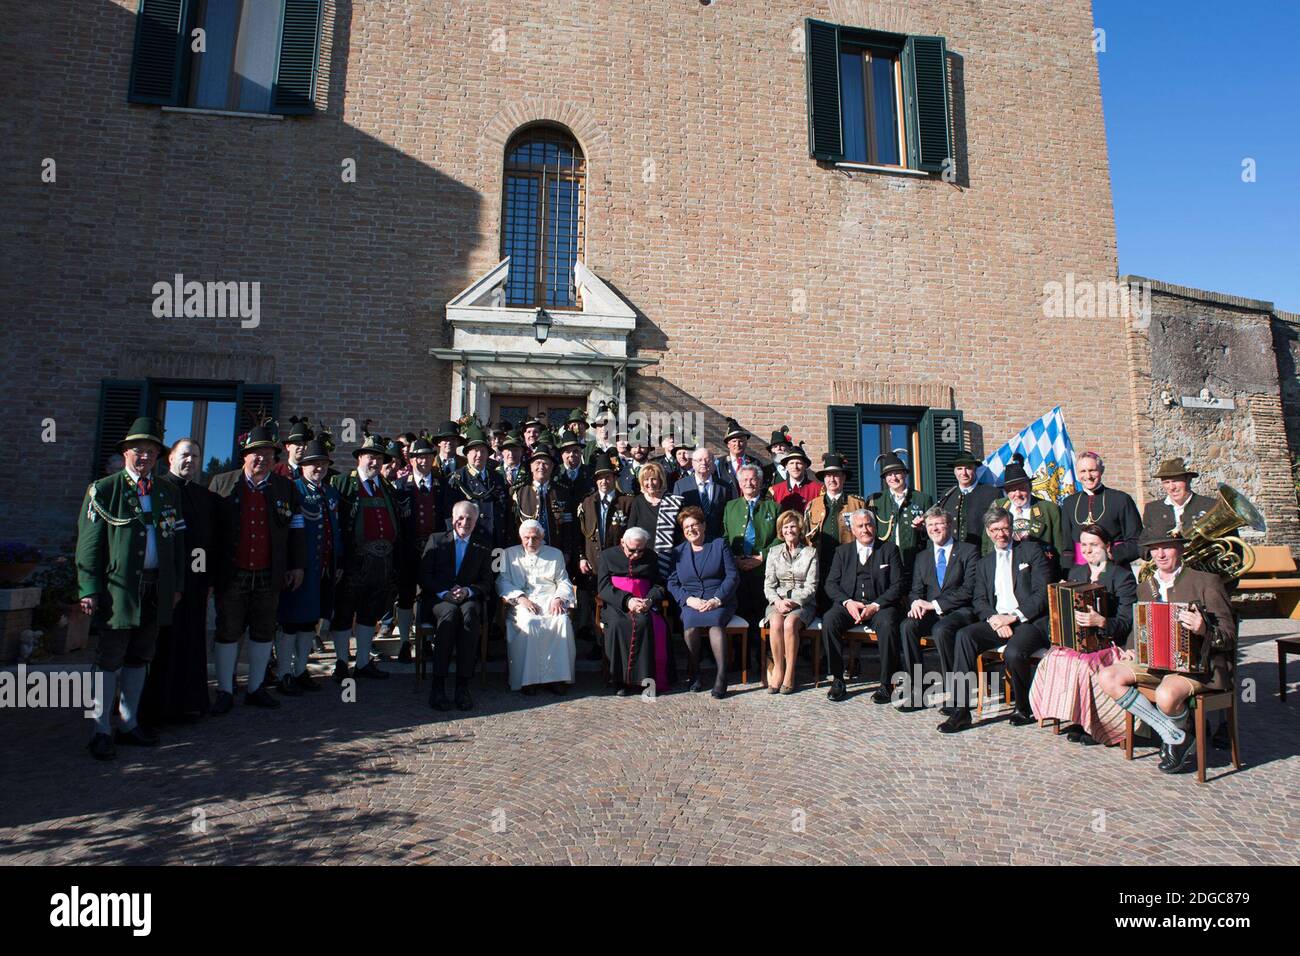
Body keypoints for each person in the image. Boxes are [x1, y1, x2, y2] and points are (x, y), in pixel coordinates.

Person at [77, 417, 186, 759]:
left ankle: (128, 722)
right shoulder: (105, 489)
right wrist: (88, 588)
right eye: (138, 450)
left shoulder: (168, 491)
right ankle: (100, 729)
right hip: (118, 590)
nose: (145, 457)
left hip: (157, 587)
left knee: (141, 655)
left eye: (151, 451)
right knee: (110, 657)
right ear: (125, 452)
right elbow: (89, 545)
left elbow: (179, 543)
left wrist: (177, 584)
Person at [1096, 529, 1237, 774]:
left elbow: (1229, 636)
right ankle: (1174, 734)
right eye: (1155, 549)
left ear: (1180, 550)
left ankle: (1175, 738)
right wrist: (1131, 649)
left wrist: (1204, 629)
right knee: (1107, 676)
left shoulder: (1206, 581)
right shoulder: (1145, 587)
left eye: (1167, 547)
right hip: (1154, 663)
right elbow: (1140, 626)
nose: (1160, 554)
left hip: (1198, 666)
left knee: (1166, 695)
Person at [208, 423, 306, 712]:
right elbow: (208, 533)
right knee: (228, 630)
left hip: (269, 572)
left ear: (275, 459)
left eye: (267, 454)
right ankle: (225, 689)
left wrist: (296, 565)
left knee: (264, 630)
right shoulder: (222, 484)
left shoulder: (285, 488)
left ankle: (255, 687)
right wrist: (207, 573)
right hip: (232, 573)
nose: (261, 459)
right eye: (255, 453)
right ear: (244, 456)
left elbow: (296, 528)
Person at [938, 506, 1051, 734]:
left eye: (1005, 528)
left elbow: (1043, 593)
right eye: (995, 529)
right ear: (988, 532)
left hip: (1028, 621)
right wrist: (994, 619)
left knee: (1013, 653)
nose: (1001, 533)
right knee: (964, 636)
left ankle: (1023, 707)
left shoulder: (1031, 552)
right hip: (998, 620)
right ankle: (961, 711)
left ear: (1012, 528)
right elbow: (979, 599)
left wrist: (1013, 617)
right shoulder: (984, 563)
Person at [1029, 524, 1137, 746]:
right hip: (1079, 644)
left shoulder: (1121, 576)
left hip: (1109, 643)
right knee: (1055, 659)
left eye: (1094, 545)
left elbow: (1127, 621)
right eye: (1084, 545)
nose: (1088, 550)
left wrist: (1102, 622)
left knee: (1084, 665)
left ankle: (1097, 724)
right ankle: (1075, 717)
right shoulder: (1076, 573)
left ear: (1107, 547)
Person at [140, 437, 215, 728]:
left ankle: (189, 703)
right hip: (163, 582)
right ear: (170, 458)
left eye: (196, 457)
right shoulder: (158, 490)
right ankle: (157, 707)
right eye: (185, 455)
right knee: (160, 644)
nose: (190, 461)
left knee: (190, 641)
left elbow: (205, 542)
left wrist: (206, 577)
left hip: (195, 582)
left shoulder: (202, 495)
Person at [329, 433, 402, 682]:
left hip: (383, 562)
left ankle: (362, 662)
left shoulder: (387, 487)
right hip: (353, 562)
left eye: (379, 459)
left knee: (370, 612)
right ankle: (340, 662)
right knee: (344, 611)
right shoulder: (342, 484)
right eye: (371, 457)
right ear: (360, 458)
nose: (375, 463)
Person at [275, 438, 343, 696]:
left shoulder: (330, 493)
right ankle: (284, 674)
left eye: (323, 464)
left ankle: (301, 670)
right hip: (299, 569)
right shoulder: (293, 490)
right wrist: (293, 565)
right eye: (313, 464)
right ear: (302, 466)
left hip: (323, 568)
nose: (319, 468)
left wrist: (338, 561)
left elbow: (335, 530)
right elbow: (289, 533)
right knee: (290, 621)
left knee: (309, 622)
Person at [898, 506, 979, 708]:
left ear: (950, 526)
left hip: (961, 611)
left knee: (942, 630)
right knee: (907, 626)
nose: (934, 529)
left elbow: (969, 589)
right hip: (931, 611)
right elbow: (916, 589)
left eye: (939, 524)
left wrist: (934, 604)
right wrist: (916, 602)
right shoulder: (922, 557)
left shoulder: (969, 551)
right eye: (930, 525)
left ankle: (954, 693)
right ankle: (918, 688)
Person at [820, 510, 904, 704]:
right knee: (830, 620)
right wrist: (847, 602)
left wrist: (875, 605)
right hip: (850, 604)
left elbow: (898, 584)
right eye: (860, 526)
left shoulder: (890, 549)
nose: (866, 529)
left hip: (880, 605)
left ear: (875, 527)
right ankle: (838, 679)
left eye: (869, 525)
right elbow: (831, 584)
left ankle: (886, 683)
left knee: (888, 624)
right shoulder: (842, 552)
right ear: (853, 530)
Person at [420, 501, 496, 711]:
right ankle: (438, 685)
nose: (464, 522)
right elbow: (424, 576)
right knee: (450, 615)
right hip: (440, 599)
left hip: (468, 597)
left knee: (470, 615)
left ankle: (463, 686)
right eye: (460, 518)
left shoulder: (483, 545)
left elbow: (487, 581)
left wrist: (469, 591)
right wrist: (445, 593)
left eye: (470, 519)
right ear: (452, 518)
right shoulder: (436, 540)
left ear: (476, 521)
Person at [497, 519, 577, 694]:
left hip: (549, 600)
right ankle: (529, 680)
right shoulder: (508, 554)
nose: (531, 542)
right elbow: (502, 581)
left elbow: (563, 581)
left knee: (561, 621)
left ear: (542, 537)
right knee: (531, 623)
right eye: (527, 538)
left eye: (535, 538)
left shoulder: (555, 554)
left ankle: (558, 678)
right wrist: (520, 598)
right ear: (521, 537)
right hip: (522, 601)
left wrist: (559, 598)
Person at [668, 506, 740, 698]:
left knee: (715, 625)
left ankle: (721, 675)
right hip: (692, 601)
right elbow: (672, 582)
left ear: (704, 525)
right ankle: (694, 673)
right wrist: (689, 600)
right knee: (690, 626)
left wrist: (717, 599)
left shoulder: (719, 544)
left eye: (694, 525)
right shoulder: (678, 552)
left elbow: (732, 576)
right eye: (686, 527)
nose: (690, 530)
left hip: (719, 599)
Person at [391, 433, 444, 662]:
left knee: (432, 595)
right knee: (405, 596)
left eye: (427, 457)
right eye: (418, 458)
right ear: (411, 460)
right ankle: (405, 642)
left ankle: (428, 641)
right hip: (408, 549)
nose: (423, 461)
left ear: (433, 458)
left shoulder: (442, 485)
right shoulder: (400, 486)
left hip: (435, 550)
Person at [574, 451, 633, 659]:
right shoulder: (587, 503)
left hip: (618, 566)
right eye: (600, 478)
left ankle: (614, 645)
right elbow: (580, 533)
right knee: (593, 605)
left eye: (608, 477)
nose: (604, 481)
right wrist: (581, 556)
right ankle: (598, 645)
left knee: (615, 604)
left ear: (614, 478)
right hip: (593, 563)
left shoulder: (626, 502)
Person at [598, 527, 669, 696]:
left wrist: (649, 600)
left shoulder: (651, 557)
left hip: (643, 603)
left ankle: (643, 680)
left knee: (646, 623)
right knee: (617, 624)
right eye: (632, 550)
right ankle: (618, 681)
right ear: (622, 542)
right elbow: (603, 587)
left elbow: (658, 585)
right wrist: (627, 600)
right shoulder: (608, 556)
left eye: (640, 551)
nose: (636, 555)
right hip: (616, 603)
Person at [722, 463, 780, 654]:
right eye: (745, 479)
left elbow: (781, 537)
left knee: (761, 616)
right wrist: (734, 559)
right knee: (740, 614)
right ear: (739, 483)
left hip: (764, 571)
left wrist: (761, 556)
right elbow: (724, 536)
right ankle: (741, 659)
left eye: (753, 479)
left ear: (760, 482)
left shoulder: (773, 507)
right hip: (736, 570)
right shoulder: (731, 507)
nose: (749, 483)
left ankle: (763, 657)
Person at [763, 509, 819, 695]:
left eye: (793, 526)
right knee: (777, 621)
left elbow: (811, 586)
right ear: (780, 530)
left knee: (790, 623)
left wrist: (794, 601)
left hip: (803, 603)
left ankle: (790, 671)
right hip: (777, 601)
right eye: (785, 527)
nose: (789, 530)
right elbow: (768, 585)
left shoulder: (810, 553)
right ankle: (778, 668)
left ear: (800, 528)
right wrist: (777, 601)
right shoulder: (773, 552)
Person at [804, 453, 866, 613]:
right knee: (822, 608)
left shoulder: (857, 504)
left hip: (849, 565)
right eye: (828, 475)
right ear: (824, 479)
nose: (832, 479)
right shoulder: (813, 505)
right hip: (821, 563)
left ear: (844, 478)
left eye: (836, 475)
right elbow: (806, 536)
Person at [1060, 451, 1143, 570]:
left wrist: (1110, 554)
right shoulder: (1069, 503)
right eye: (1083, 471)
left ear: (1101, 470)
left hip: (1115, 568)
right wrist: (1068, 573)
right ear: (1077, 474)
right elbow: (1066, 546)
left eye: (1092, 470)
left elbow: (1137, 540)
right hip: (1080, 572)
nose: (1088, 476)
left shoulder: (1121, 499)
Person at [984, 459, 1066, 574]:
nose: (1017, 494)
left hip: (1040, 572)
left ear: (1030, 487)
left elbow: (1059, 547)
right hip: (1004, 570)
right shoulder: (997, 506)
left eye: (1022, 488)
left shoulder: (1050, 509)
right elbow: (987, 544)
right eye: (1012, 490)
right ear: (1006, 492)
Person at [868, 452, 932, 571]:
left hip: (915, 562)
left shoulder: (922, 499)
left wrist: (923, 529)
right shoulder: (875, 500)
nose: (893, 478)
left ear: (905, 474)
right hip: (885, 563)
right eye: (889, 474)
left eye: (897, 473)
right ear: (885, 478)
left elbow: (932, 533)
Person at [626, 461, 684, 578]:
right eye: (646, 480)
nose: (650, 483)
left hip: (670, 561)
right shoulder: (638, 501)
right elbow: (630, 531)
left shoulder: (672, 501)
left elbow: (681, 533)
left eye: (653, 479)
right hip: (644, 560)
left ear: (661, 480)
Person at [513, 444, 573, 552]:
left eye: (545, 463)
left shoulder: (562, 492)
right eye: (537, 463)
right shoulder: (519, 492)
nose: (541, 467)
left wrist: (567, 551)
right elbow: (513, 526)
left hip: (555, 550)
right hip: (526, 553)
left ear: (552, 467)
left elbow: (568, 526)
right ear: (531, 467)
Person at [937, 453, 1000, 548]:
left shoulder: (991, 493)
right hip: (953, 554)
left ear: (975, 469)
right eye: (959, 469)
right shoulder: (947, 495)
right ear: (954, 471)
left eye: (968, 468)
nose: (964, 473)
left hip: (981, 553)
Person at [1142, 457, 1216, 537]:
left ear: (1188, 480)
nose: (1171, 487)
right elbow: (1144, 542)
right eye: (1166, 482)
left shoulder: (1211, 506)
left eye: (1175, 481)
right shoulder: (1153, 509)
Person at [672, 447, 732, 540]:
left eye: (707, 460)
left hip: (717, 540)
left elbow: (728, 515)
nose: (703, 463)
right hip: (691, 539)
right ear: (693, 463)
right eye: (699, 460)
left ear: (713, 462)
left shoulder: (724, 487)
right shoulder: (680, 485)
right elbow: (676, 515)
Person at [769, 445, 822, 512]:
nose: (795, 467)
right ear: (786, 466)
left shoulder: (818, 490)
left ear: (805, 466)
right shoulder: (775, 491)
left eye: (798, 463)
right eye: (791, 463)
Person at [714, 418, 760, 494]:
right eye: (734, 441)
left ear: (746, 443)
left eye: (741, 441)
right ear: (728, 444)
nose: (737, 444)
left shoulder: (755, 463)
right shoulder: (718, 463)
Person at [555, 434, 595, 506]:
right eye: (567, 451)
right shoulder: (555, 472)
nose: (571, 454)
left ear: (581, 453)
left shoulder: (591, 473)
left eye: (575, 451)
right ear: (561, 454)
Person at [582, 400, 617, 467]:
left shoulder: (619, 447)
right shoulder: (586, 448)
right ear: (596, 428)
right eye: (600, 425)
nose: (604, 428)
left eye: (607, 425)